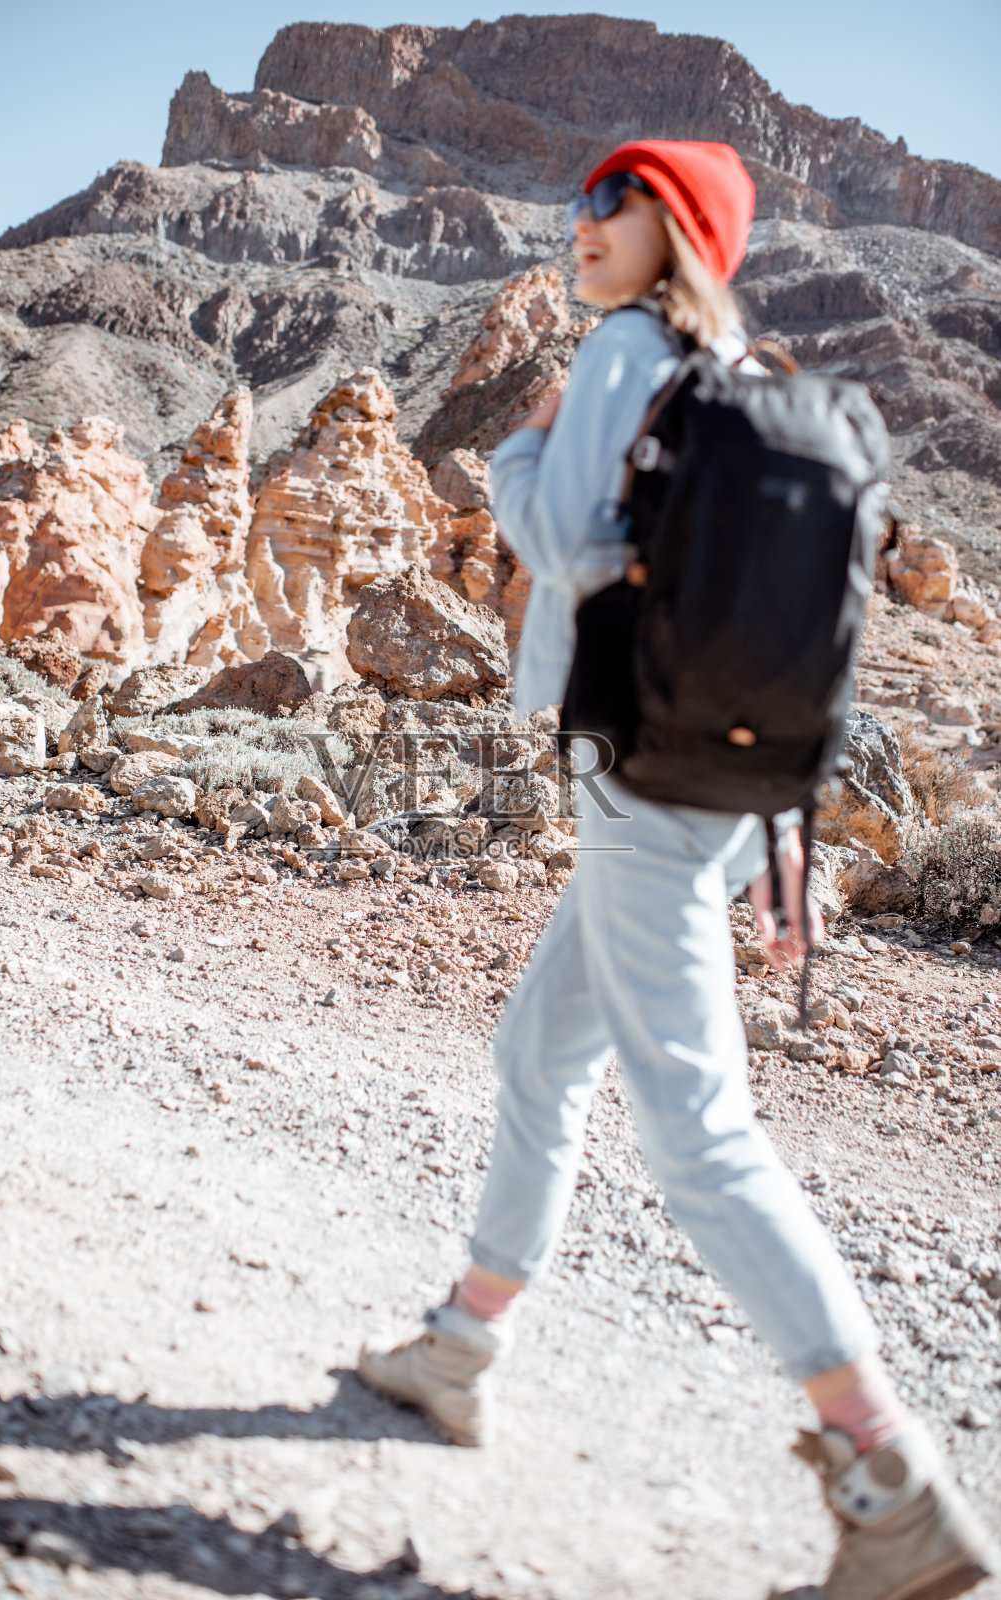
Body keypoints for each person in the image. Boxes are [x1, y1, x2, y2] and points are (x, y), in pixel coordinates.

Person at [358, 140, 999, 1600]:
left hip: (637, 787)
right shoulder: (723, 379)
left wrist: (519, 445)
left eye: (610, 205)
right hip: (701, 792)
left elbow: (571, 548)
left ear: (676, 230)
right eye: (577, 202)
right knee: (538, 1054)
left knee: (700, 1139)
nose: (577, 227)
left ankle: (888, 1477)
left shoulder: (619, 360)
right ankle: (461, 1348)